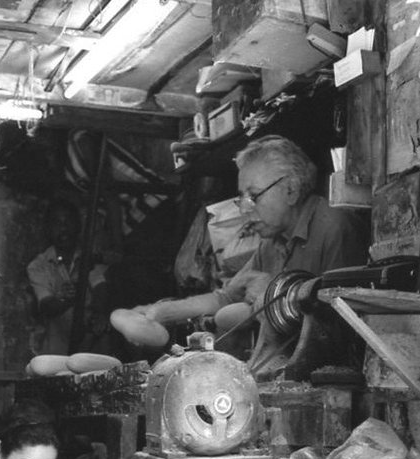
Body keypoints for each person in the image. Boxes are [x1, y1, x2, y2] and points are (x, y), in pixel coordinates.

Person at [120, 135, 370, 344]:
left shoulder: (336, 228)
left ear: (291, 190)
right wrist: (160, 313)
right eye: (242, 199)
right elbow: (226, 297)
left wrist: (278, 295)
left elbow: (344, 324)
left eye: (253, 196)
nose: (244, 209)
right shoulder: (272, 241)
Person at [27, 198, 111, 355]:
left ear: (78, 226)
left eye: (68, 222)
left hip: (91, 351)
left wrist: (99, 313)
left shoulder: (89, 257)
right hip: (58, 352)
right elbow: (46, 306)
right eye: (57, 223)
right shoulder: (38, 265)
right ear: (47, 229)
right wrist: (64, 299)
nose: (63, 228)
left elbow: (100, 286)